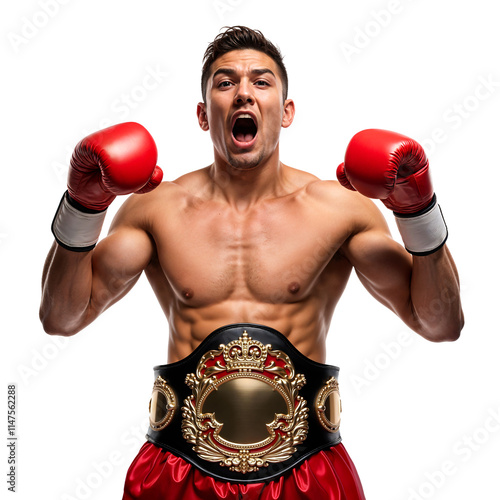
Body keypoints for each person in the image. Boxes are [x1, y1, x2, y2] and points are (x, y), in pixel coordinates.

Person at [40, 26, 464, 500]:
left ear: (286, 112)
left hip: (307, 471)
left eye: (261, 82)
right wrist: (83, 207)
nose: (244, 92)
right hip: (180, 469)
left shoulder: (339, 208)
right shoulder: (155, 208)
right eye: (225, 83)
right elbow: (62, 317)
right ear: (204, 115)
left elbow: (440, 323)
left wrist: (418, 213)